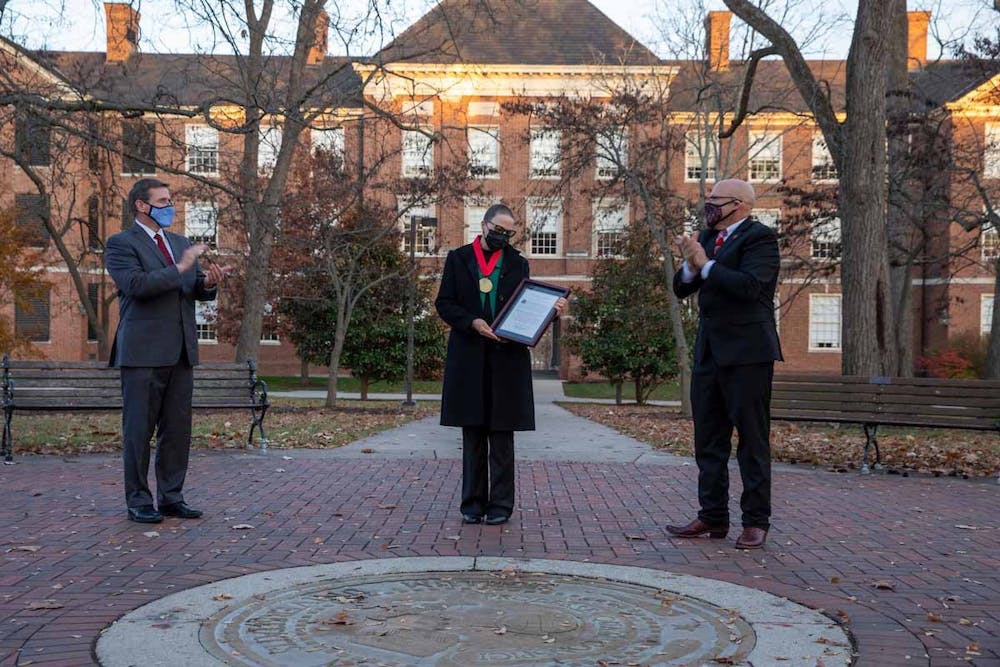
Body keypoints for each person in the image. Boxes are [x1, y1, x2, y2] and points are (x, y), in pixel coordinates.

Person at [105, 178, 230, 524]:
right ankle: (139, 501)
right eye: (162, 201)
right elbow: (136, 286)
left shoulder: (179, 243)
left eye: (170, 200)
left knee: (177, 431)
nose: (169, 206)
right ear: (141, 206)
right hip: (142, 353)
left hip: (181, 352)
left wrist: (207, 282)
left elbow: (192, 288)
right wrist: (181, 267)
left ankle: (172, 497)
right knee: (138, 432)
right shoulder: (120, 244)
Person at [668, 179, 782, 549]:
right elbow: (683, 287)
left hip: (748, 354)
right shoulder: (706, 236)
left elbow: (752, 286)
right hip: (710, 354)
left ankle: (755, 521)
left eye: (715, 200)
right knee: (709, 440)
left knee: (751, 439)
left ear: (739, 204)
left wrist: (706, 264)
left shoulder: (760, 238)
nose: (708, 205)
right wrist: (690, 265)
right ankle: (712, 517)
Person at [435, 204, 566, 525]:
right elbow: (444, 303)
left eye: (509, 234)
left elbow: (526, 307)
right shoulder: (458, 259)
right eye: (498, 231)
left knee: (502, 436)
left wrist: (552, 310)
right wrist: (472, 322)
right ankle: (472, 504)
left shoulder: (517, 263)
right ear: (484, 225)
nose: (503, 238)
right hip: (469, 356)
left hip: (507, 359)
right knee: (474, 434)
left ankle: (500, 506)